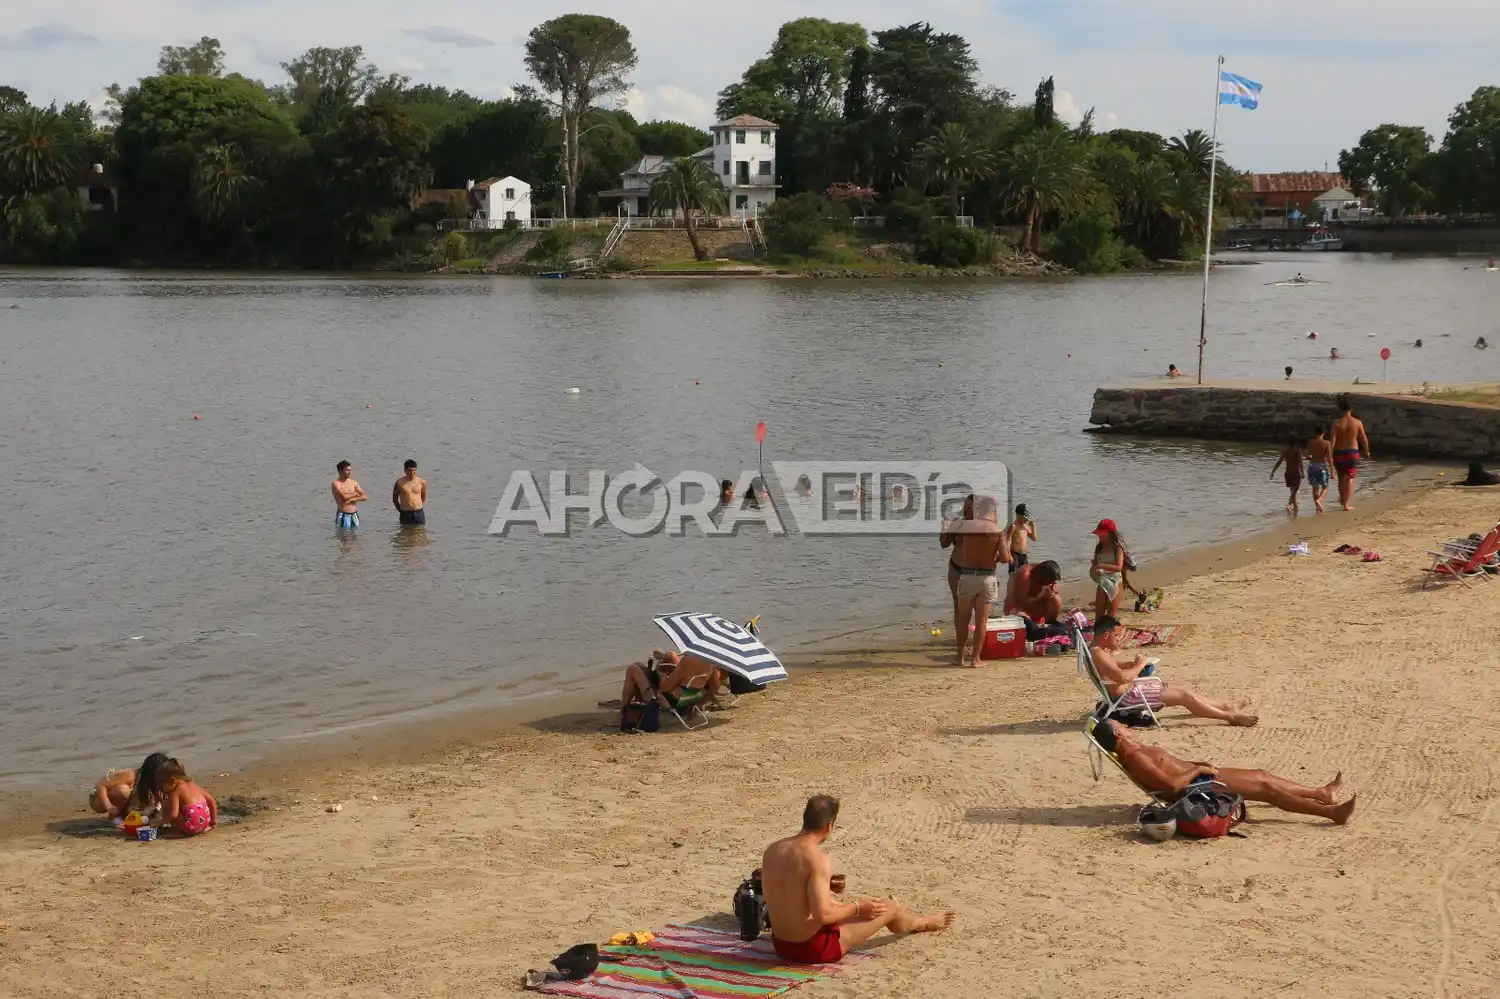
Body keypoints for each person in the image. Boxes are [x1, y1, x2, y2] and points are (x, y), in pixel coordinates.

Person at [760, 795, 953, 964]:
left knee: (847, 906)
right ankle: (921, 923)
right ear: (829, 825)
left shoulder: (773, 850)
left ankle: (908, 919)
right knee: (889, 907)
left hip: (782, 945)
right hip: (812, 949)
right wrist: (858, 908)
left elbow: (786, 892)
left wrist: (825, 888)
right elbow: (823, 916)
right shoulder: (817, 859)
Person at [1091, 719, 1355, 824]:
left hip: (1199, 776)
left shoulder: (1137, 749)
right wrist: (1197, 770)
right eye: (1121, 726)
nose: (1126, 726)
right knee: (1267, 790)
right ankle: (1332, 813)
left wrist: (1194, 764)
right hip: (1195, 788)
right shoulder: (1136, 757)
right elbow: (1171, 787)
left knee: (1262, 775)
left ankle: (1321, 793)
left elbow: (1170, 765)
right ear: (1118, 735)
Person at [1090, 616, 1257, 726]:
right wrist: (1139, 666)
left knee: (1182, 688)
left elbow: (1114, 668)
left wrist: (1131, 663)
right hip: (1129, 697)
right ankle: (1230, 717)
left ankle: (1226, 706)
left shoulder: (1098, 651)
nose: (1119, 639)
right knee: (1185, 696)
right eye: (1117, 635)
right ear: (1106, 634)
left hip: (1131, 691)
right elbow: (1122, 678)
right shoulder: (1099, 654)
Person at [950, 495, 1010, 667]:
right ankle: (975, 659)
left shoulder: (966, 527)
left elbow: (957, 545)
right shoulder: (997, 531)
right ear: (993, 511)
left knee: (963, 619)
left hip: (967, 576)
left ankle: (959, 657)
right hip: (986, 577)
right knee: (981, 621)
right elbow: (1005, 558)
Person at [619, 650, 723, 713]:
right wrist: (699, 704)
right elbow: (715, 686)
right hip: (690, 700)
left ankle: (624, 710)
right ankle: (634, 704)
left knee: (633, 668)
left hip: (670, 702)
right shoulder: (710, 664)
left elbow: (664, 688)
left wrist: (662, 674)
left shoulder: (686, 661)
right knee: (639, 665)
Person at [149, 758, 217, 837]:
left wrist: (159, 822)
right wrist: (213, 820)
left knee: (168, 807)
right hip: (205, 823)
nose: (162, 789)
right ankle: (203, 828)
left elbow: (174, 814)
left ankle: (180, 832)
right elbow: (212, 801)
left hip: (191, 828)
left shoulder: (176, 791)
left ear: (172, 780)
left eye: (162, 785)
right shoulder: (193, 784)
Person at [1004, 559, 1065, 640]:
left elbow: (1055, 590)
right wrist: (1040, 596)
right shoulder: (1025, 575)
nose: (1052, 583)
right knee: (1033, 631)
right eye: (1050, 581)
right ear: (1042, 575)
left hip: (1036, 610)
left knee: (1057, 599)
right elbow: (1018, 601)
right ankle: (1039, 630)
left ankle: (1049, 623)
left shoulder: (1045, 575)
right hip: (1019, 609)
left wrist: (1053, 592)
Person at [1330, 395, 1370, 511]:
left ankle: (1342, 499)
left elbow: (1332, 442)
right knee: (1350, 477)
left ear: (1340, 408)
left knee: (1341, 477)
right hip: (1352, 453)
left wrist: (1329, 455)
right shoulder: (1357, 422)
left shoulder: (1336, 423)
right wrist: (1366, 451)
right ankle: (1346, 504)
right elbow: (1364, 440)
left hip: (1339, 453)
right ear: (1351, 408)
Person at [939, 494, 976, 612]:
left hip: (976, 571)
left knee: (977, 605)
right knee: (958, 606)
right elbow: (944, 544)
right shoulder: (957, 523)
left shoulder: (984, 526)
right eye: (965, 507)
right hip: (956, 569)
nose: (965, 510)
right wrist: (944, 529)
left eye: (969, 507)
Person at [115, 752, 170, 823]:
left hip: (145, 811)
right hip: (130, 810)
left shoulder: (161, 783)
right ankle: (116, 818)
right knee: (123, 791)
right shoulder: (134, 777)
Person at [1089, 519, 1127, 620]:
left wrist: (1102, 566)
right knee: (1099, 614)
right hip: (1102, 582)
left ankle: (1110, 626)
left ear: (1109, 533)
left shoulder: (1117, 548)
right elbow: (1095, 566)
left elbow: (1119, 567)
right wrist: (1093, 569)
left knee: (1111, 615)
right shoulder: (1099, 548)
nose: (1099, 535)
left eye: (1101, 533)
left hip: (1115, 582)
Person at [1269, 435, 1304, 516]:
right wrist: (1302, 473)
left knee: (1293, 492)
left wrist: (1273, 472)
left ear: (1288, 442)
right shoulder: (1298, 451)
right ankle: (1290, 507)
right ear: (1296, 442)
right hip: (1295, 474)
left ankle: (1294, 510)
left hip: (1288, 474)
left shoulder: (1286, 451)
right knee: (1294, 492)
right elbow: (1300, 462)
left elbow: (1279, 462)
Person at [332, 460, 368, 530]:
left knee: (355, 536)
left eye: (350, 470)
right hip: (343, 515)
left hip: (354, 515)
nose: (350, 472)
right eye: (347, 470)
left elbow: (365, 496)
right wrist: (356, 494)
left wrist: (353, 499)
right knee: (343, 535)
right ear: (340, 471)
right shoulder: (336, 484)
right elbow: (345, 496)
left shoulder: (354, 483)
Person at [1305, 427, 1333, 515]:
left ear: (1315, 432)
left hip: (1312, 466)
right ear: (1324, 432)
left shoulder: (1310, 442)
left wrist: (1310, 458)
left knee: (1315, 488)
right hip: (1321, 466)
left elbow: (1305, 454)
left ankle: (1317, 508)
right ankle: (1319, 500)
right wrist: (1332, 471)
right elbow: (1329, 459)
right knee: (1325, 487)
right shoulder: (1327, 443)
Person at [392, 459, 427, 527]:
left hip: (419, 513)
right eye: (410, 470)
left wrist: (416, 506)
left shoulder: (422, 482)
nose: (412, 473)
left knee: (420, 532)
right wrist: (402, 511)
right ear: (405, 470)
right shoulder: (399, 483)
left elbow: (423, 497)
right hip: (405, 514)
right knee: (405, 532)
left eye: (414, 470)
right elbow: (395, 499)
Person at [1007, 504, 1036, 574]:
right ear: (1018, 515)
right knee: (1013, 574)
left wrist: (1033, 526)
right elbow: (1008, 541)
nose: (1026, 520)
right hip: (1014, 555)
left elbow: (1034, 538)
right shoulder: (1013, 526)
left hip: (1024, 555)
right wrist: (1009, 555)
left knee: (1024, 574)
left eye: (1027, 518)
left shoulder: (1025, 526)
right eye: (1024, 518)